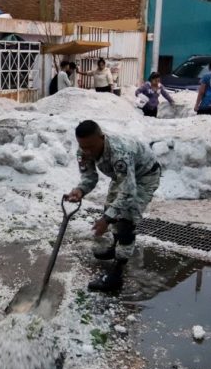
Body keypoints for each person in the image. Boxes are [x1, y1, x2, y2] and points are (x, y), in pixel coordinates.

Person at [66, 120, 161, 292]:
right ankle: (115, 248)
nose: (87, 152)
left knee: (125, 221)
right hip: (123, 177)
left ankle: (116, 276)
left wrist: (107, 219)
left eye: (91, 147)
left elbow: (129, 193)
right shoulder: (83, 150)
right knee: (111, 208)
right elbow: (90, 177)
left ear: (102, 138)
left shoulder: (119, 153)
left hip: (145, 176)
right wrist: (80, 190)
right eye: (83, 147)